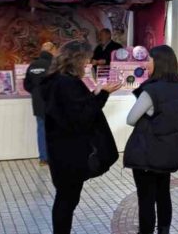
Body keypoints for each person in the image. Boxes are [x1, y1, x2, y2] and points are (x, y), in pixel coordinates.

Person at [42, 41, 123, 234]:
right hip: (70, 152)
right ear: (77, 59)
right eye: (86, 60)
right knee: (66, 200)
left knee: (66, 198)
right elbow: (82, 116)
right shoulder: (67, 83)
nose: (89, 64)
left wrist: (94, 94)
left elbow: (74, 109)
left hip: (61, 150)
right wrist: (102, 94)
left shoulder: (57, 80)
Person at [124, 45, 178, 234]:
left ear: (158, 63)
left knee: (146, 199)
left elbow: (130, 119)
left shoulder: (151, 91)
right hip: (168, 152)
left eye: (149, 60)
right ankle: (164, 231)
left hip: (148, 154)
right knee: (163, 194)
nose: (146, 64)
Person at [23, 41, 58, 166]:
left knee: (42, 129)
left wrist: (36, 92)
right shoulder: (54, 65)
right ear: (52, 50)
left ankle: (43, 158)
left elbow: (26, 84)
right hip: (53, 102)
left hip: (38, 103)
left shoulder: (33, 65)